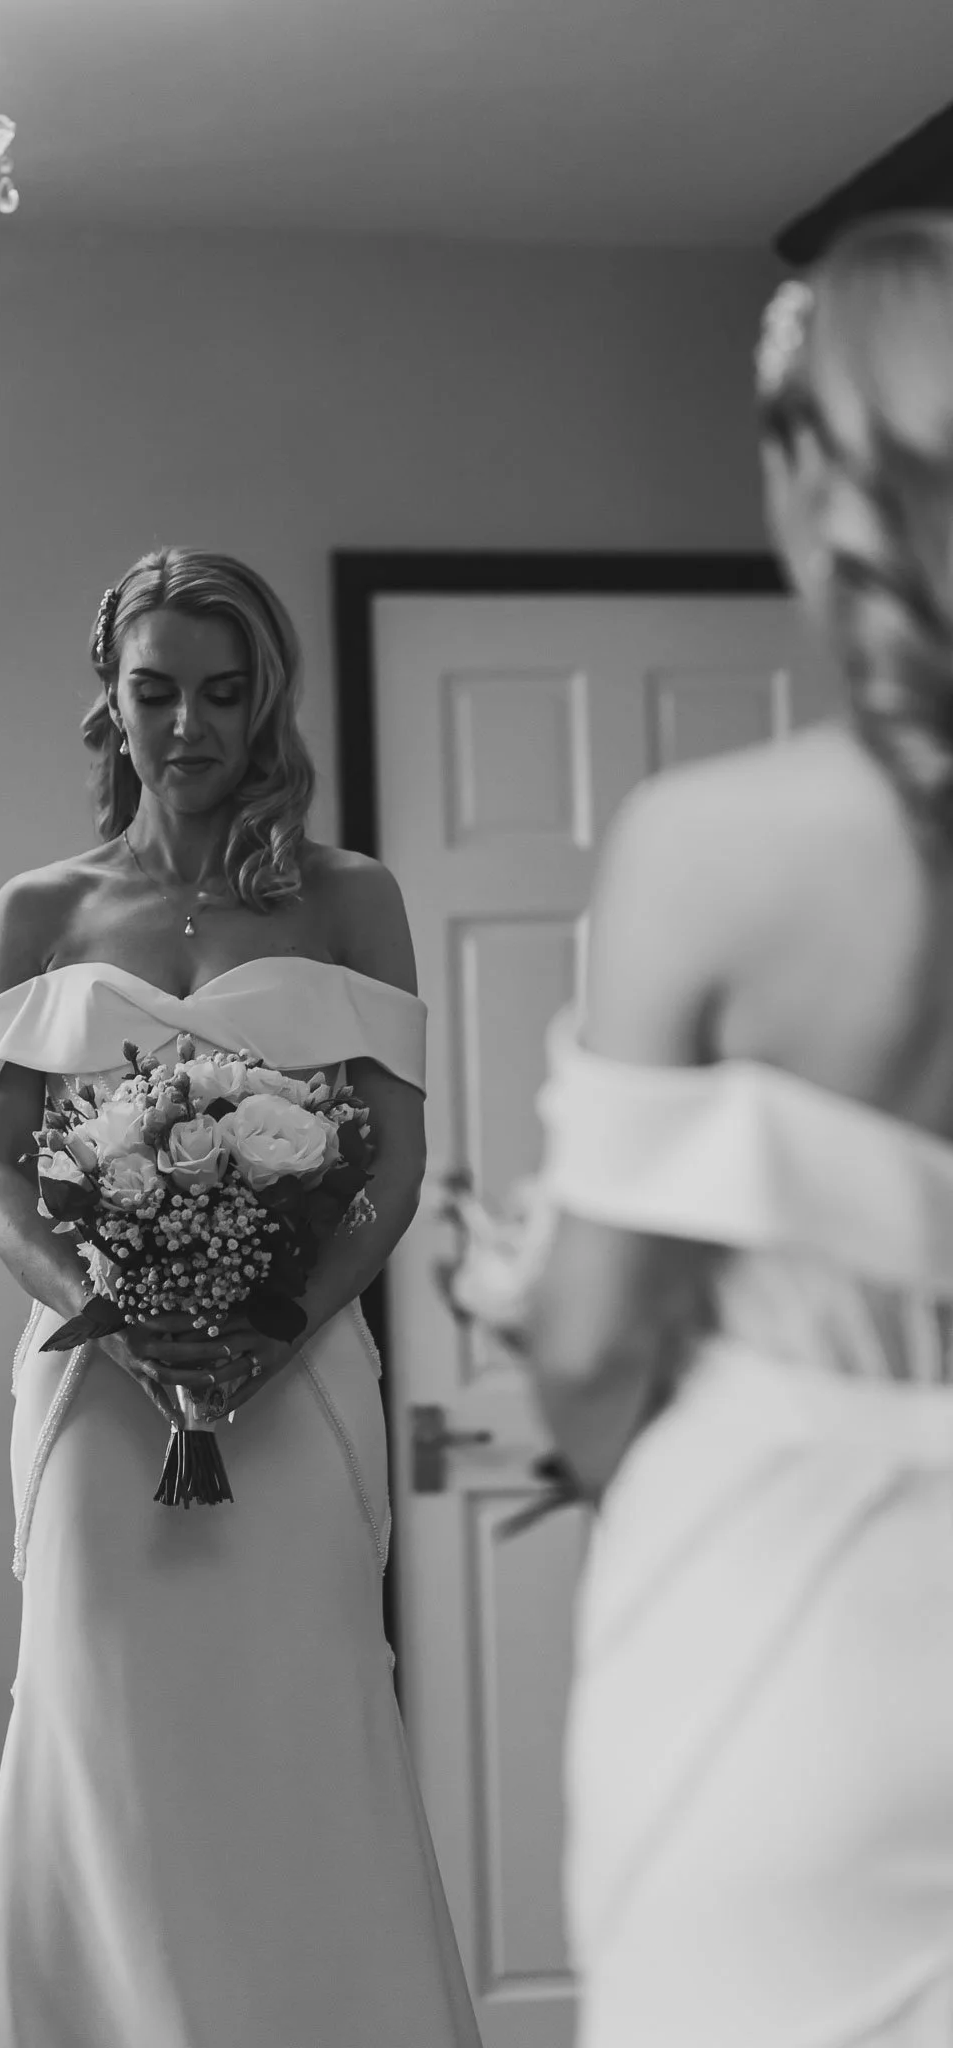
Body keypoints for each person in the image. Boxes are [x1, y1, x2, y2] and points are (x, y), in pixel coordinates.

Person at [451, 215, 953, 2047]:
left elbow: (594, 1347)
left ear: (816, 467)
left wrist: (544, 1324)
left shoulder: (713, 845)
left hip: (779, 1637)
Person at [0, 547, 482, 2048]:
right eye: (157, 690)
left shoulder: (350, 897)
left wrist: (265, 1334)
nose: (191, 725)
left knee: (297, 1735)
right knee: (104, 1736)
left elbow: (394, 1164)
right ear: (109, 700)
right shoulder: (36, 910)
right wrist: (113, 1323)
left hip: (293, 1386)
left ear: (269, 702)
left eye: (224, 693)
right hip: (94, 1389)